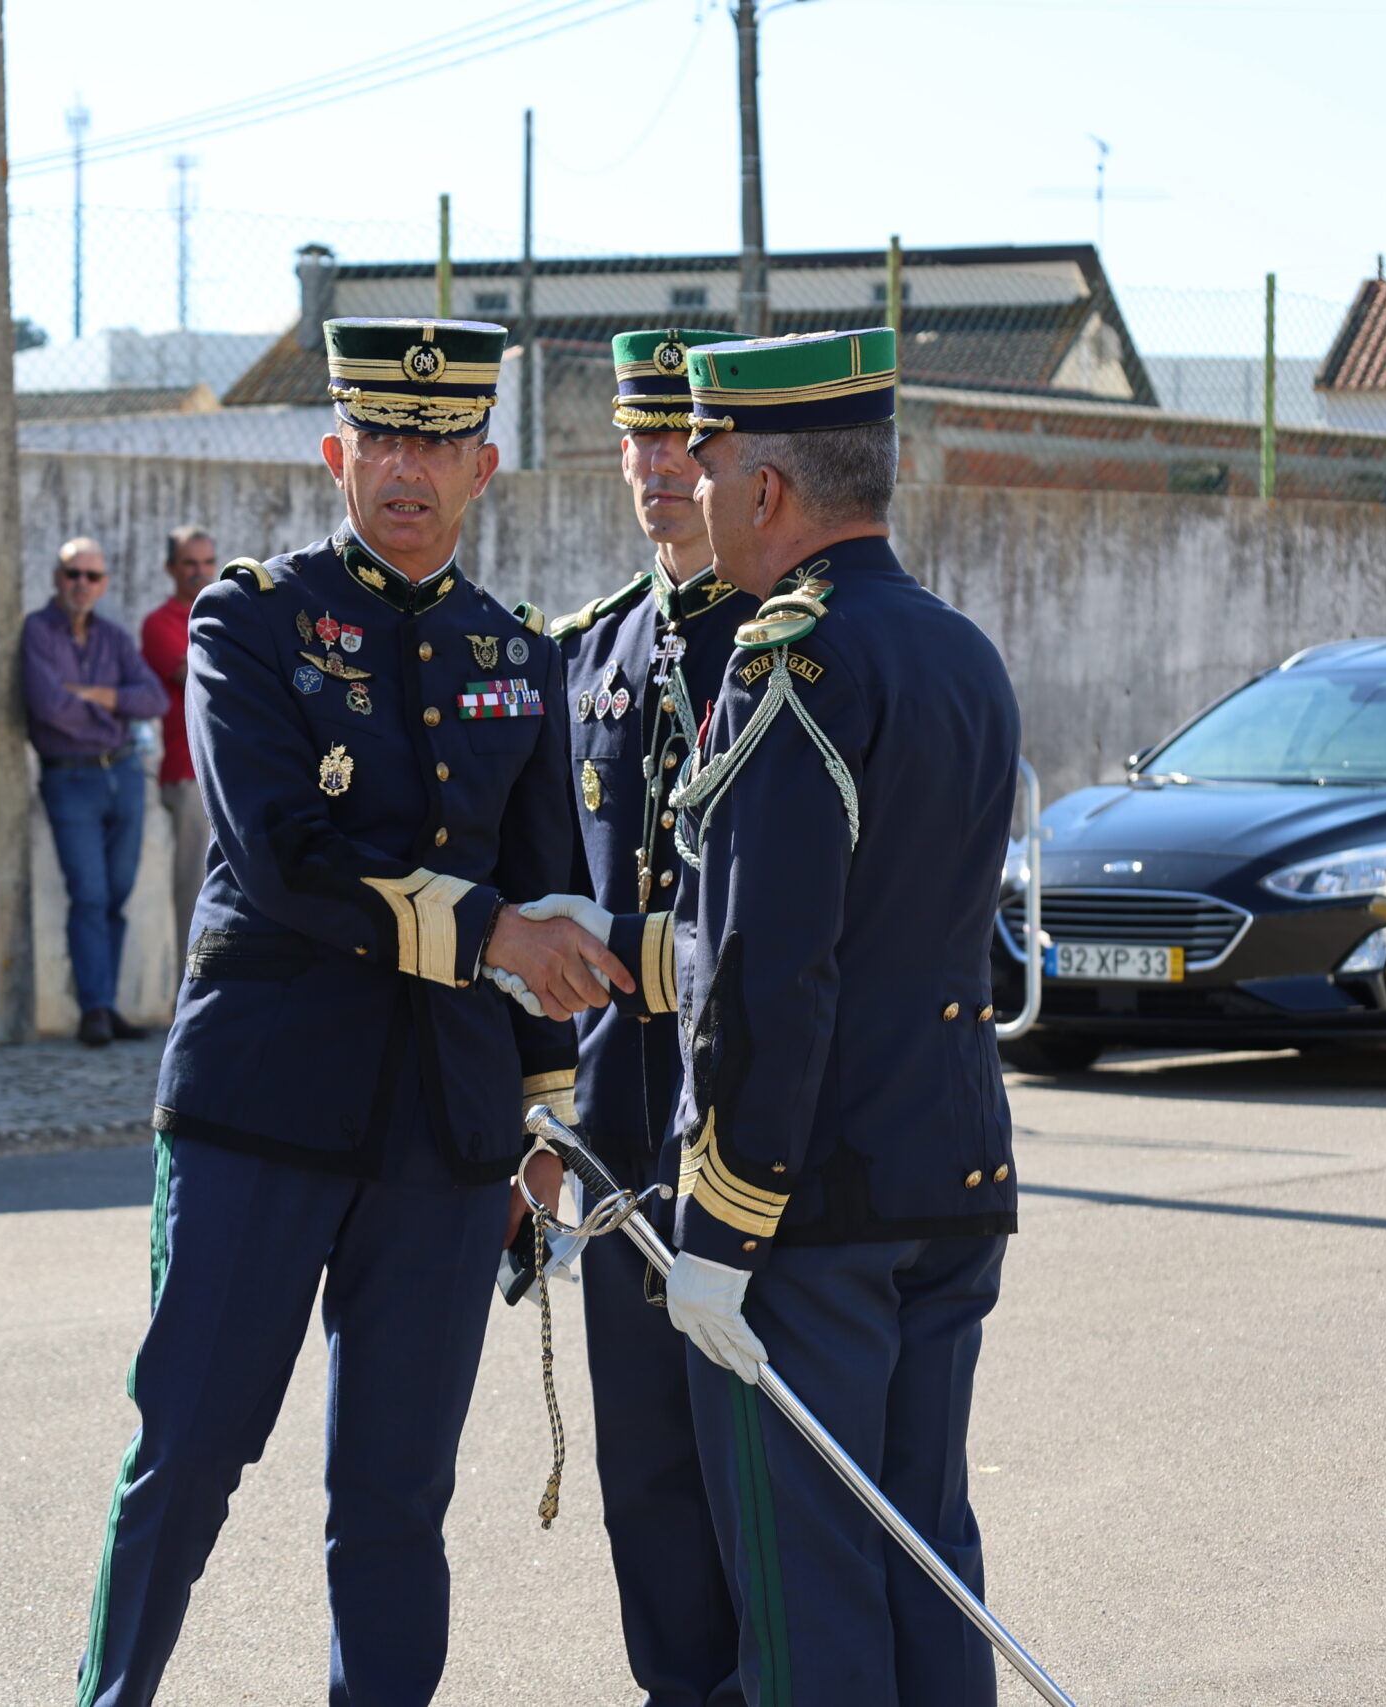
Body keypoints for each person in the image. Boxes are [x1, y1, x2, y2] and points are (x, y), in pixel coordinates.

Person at [75, 317, 633, 1707]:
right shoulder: (250, 621)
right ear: (336, 453)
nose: (407, 466)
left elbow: (544, 894)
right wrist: (488, 930)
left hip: (447, 1137)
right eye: (382, 436)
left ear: (483, 467)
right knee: (187, 1451)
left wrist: (543, 1122)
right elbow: (281, 856)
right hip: (260, 1107)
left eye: (438, 443)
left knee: (395, 1494)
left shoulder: (518, 650)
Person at [664, 326, 1020, 1707]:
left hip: (810, 1206)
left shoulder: (791, 660)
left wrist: (723, 1225)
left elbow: (769, 967)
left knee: (807, 1594)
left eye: (707, 464)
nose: (694, 489)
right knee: (928, 1561)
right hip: (950, 1169)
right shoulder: (958, 646)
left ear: (765, 490)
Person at [533, 327, 752, 1707]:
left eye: (686, 439)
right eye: (639, 438)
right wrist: (540, 1118)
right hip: (617, 1119)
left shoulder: (783, 640)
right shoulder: (590, 650)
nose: (661, 465)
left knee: (751, 1455)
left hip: (743, 1114)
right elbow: (552, 898)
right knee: (645, 1462)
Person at [23, 535, 169, 1047]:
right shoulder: (37, 631)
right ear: (56, 578)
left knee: (117, 895)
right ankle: (95, 1009)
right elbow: (49, 708)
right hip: (69, 778)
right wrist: (113, 707)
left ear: (104, 584)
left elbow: (154, 700)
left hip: (123, 774)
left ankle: (107, 1004)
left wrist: (97, 696)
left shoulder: (113, 637)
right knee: (88, 894)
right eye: (73, 574)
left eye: (91, 576)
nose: (81, 584)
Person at [138, 525, 216, 959]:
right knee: (196, 894)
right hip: (189, 774)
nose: (200, 571)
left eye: (207, 562)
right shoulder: (159, 623)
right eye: (189, 563)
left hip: (232, 771)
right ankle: (191, 993)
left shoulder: (227, 614)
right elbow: (200, 680)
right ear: (170, 568)